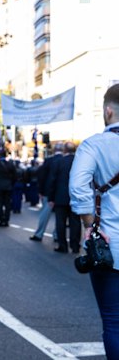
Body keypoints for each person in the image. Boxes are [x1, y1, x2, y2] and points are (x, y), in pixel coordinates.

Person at [69, 83, 119, 358]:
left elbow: (78, 187)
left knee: (114, 321)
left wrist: (89, 225)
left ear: (108, 111)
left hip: (110, 245)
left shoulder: (93, 145)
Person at [48, 141, 80, 253]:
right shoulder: (79, 162)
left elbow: (52, 180)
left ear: (64, 150)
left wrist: (51, 198)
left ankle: (63, 245)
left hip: (60, 197)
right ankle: (75, 246)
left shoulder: (58, 162)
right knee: (75, 222)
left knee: (60, 223)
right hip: (76, 196)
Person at [30, 143, 63, 242]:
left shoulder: (49, 161)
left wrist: (41, 190)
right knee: (60, 216)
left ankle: (39, 234)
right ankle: (57, 235)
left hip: (48, 192)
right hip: (61, 193)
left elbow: (42, 176)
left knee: (44, 214)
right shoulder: (66, 161)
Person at [0, 150, 16, 227]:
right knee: (7, 204)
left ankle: (1, 219)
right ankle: (6, 220)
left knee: (0, 204)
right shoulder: (10, 165)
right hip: (8, 186)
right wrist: (11, 183)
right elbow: (14, 176)